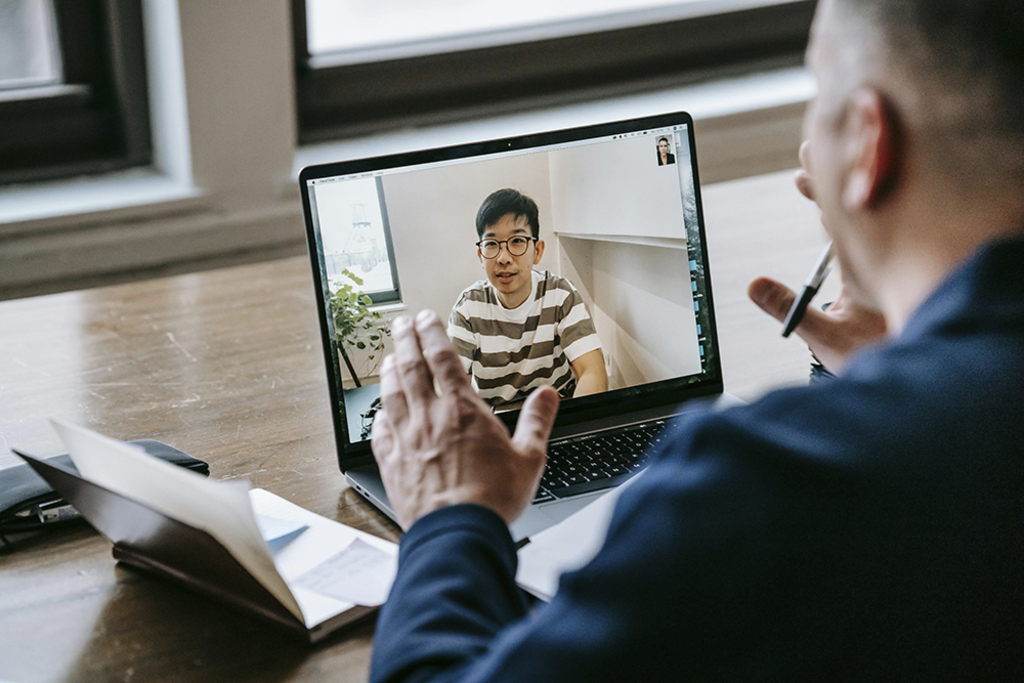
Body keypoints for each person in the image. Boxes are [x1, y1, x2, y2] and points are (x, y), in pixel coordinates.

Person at [370, 0, 1024, 680]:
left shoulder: (752, 483)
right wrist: (879, 377)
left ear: (865, 143)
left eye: (815, 90)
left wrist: (448, 517)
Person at [448, 188, 608, 409]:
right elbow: (451, 386)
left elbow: (592, 371)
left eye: (517, 241)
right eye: (492, 244)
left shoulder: (561, 295)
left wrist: (577, 422)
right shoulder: (467, 309)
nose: (504, 258)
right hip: (498, 421)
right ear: (480, 256)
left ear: (537, 251)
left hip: (558, 413)